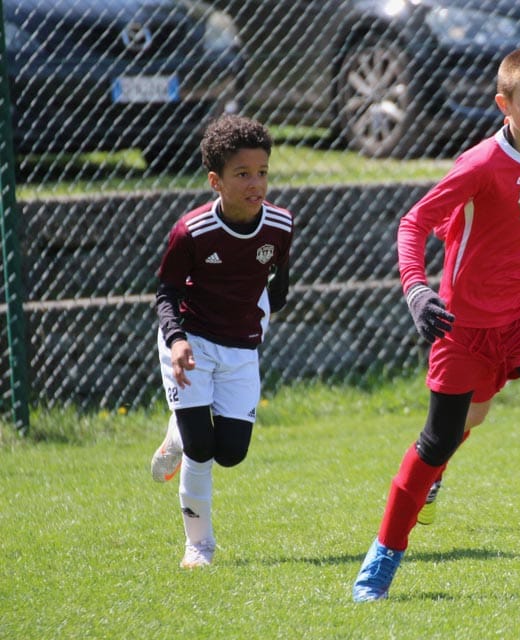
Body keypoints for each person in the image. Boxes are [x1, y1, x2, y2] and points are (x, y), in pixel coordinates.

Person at [353, 47, 520, 602]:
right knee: (439, 440)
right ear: (504, 105)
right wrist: (417, 290)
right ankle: (385, 553)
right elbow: (414, 223)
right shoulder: (479, 165)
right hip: (465, 324)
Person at [149, 115, 293, 569]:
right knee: (201, 449)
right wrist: (176, 340)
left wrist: (258, 321)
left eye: (262, 172)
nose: (256, 183)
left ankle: (178, 428)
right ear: (216, 181)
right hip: (189, 342)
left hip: (240, 347)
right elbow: (166, 294)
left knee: (230, 452)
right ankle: (199, 546)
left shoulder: (280, 224)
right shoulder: (191, 231)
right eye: (242, 174)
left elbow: (279, 284)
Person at [416, 240, 520, 534]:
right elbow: (450, 232)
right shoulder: (469, 210)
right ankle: (431, 471)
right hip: (483, 321)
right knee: (472, 415)